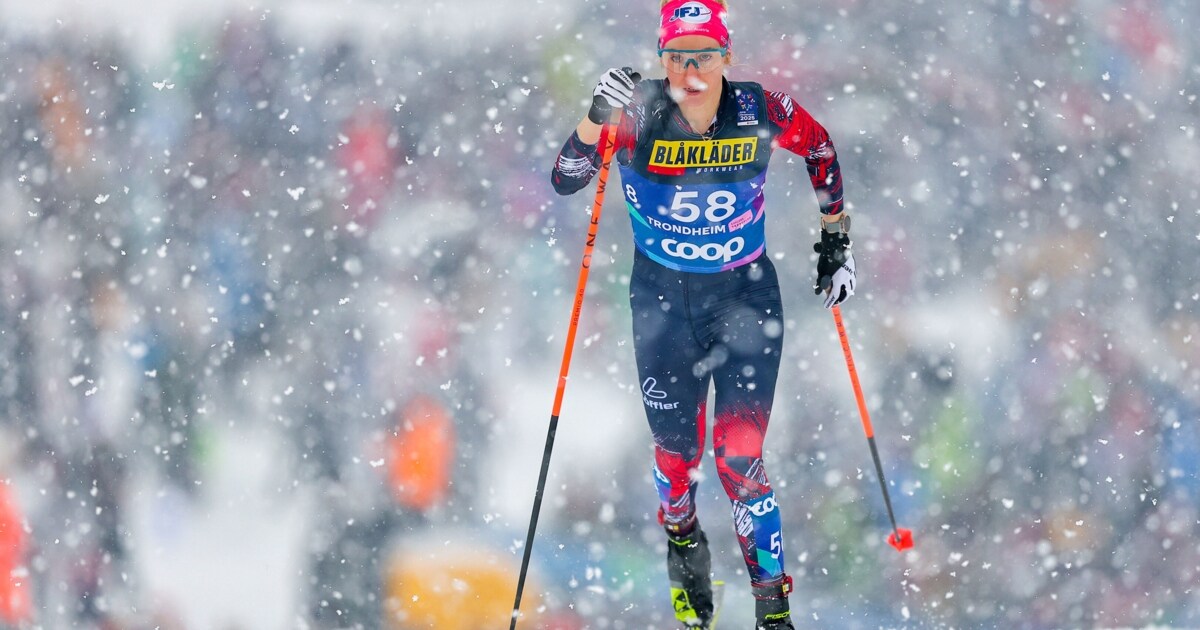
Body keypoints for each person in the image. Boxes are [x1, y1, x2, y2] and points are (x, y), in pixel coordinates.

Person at [550, 0, 856, 627]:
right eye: (677, 56)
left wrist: (836, 237)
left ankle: (773, 610)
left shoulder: (758, 110)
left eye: (705, 56)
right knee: (674, 457)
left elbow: (819, 147)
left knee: (740, 458)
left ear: (727, 58)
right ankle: (684, 542)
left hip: (744, 301)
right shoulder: (637, 116)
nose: (691, 70)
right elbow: (565, 178)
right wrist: (592, 119)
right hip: (662, 307)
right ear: (661, 60)